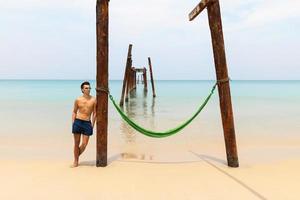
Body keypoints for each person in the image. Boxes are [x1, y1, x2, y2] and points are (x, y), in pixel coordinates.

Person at [71, 81, 96, 167]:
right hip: (78, 122)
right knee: (76, 143)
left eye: (89, 88)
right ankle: (76, 161)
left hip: (87, 123)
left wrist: (92, 124)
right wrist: (73, 122)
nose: (88, 89)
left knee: (84, 144)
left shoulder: (93, 99)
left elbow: (95, 113)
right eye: (86, 88)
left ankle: (76, 156)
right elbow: (74, 111)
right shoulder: (78, 100)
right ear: (82, 89)